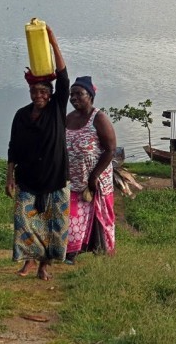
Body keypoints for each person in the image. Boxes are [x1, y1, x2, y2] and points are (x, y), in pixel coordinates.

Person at [6, 25, 69, 281]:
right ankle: (28, 262)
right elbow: (13, 148)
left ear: (51, 95)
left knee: (54, 226)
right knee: (26, 222)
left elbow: (64, 77)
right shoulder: (21, 115)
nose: (39, 95)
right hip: (28, 178)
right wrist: (9, 176)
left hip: (55, 177)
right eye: (35, 91)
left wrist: (53, 41)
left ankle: (44, 265)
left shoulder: (56, 110)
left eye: (44, 91)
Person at [64, 76, 117, 263]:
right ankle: (72, 252)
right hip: (75, 180)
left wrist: (94, 176)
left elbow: (110, 150)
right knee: (74, 216)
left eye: (79, 94)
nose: (74, 98)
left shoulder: (99, 118)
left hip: (96, 179)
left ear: (91, 96)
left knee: (98, 216)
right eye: (72, 95)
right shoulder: (68, 118)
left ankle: (102, 252)